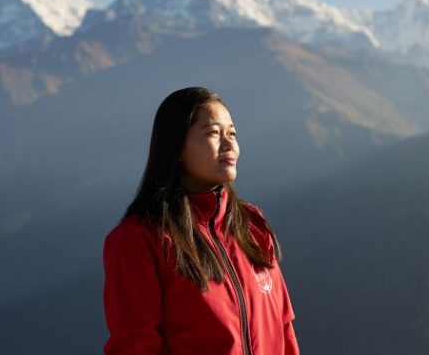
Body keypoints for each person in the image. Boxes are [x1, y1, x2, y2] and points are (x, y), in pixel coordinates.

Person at [102, 86, 300, 355]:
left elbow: (284, 329)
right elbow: (135, 346)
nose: (229, 145)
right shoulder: (138, 240)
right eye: (213, 133)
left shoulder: (252, 225)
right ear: (177, 147)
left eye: (232, 133)